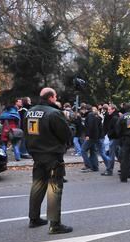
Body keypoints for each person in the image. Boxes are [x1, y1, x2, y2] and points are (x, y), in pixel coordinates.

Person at [24, 87, 72, 234]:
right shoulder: (54, 113)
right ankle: (55, 224)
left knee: (37, 186)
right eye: (55, 96)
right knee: (54, 188)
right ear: (51, 98)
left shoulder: (29, 112)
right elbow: (66, 134)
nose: (56, 98)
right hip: (52, 155)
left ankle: (34, 218)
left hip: (37, 155)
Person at [80, 105, 101, 173]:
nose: (81, 111)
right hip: (95, 136)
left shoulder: (90, 115)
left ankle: (88, 166)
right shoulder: (94, 115)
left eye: (82, 110)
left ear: (85, 109)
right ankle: (95, 167)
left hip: (91, 136)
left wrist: (88, 135)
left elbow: (90, 126)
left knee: (83, 150)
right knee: (93, 151)